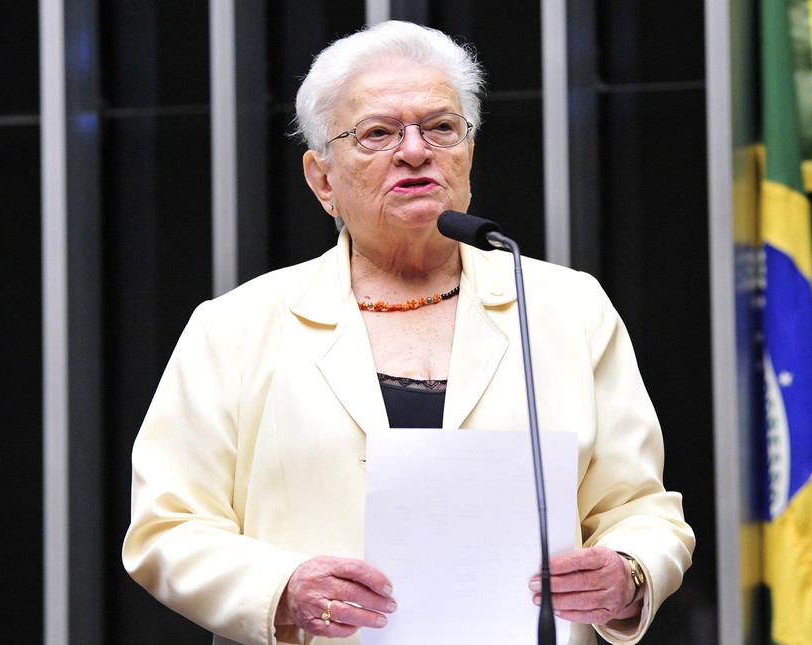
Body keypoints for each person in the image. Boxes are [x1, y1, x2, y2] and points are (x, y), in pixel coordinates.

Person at [122, 19, 695, 645]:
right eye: (378, 133)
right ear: (322, 179)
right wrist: (283, 586)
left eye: (441, 127)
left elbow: (639, 508)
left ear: (468, 152)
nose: (416, 150)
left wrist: (628, 572)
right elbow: (167, 527)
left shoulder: (566, 307)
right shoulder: (234, 327)